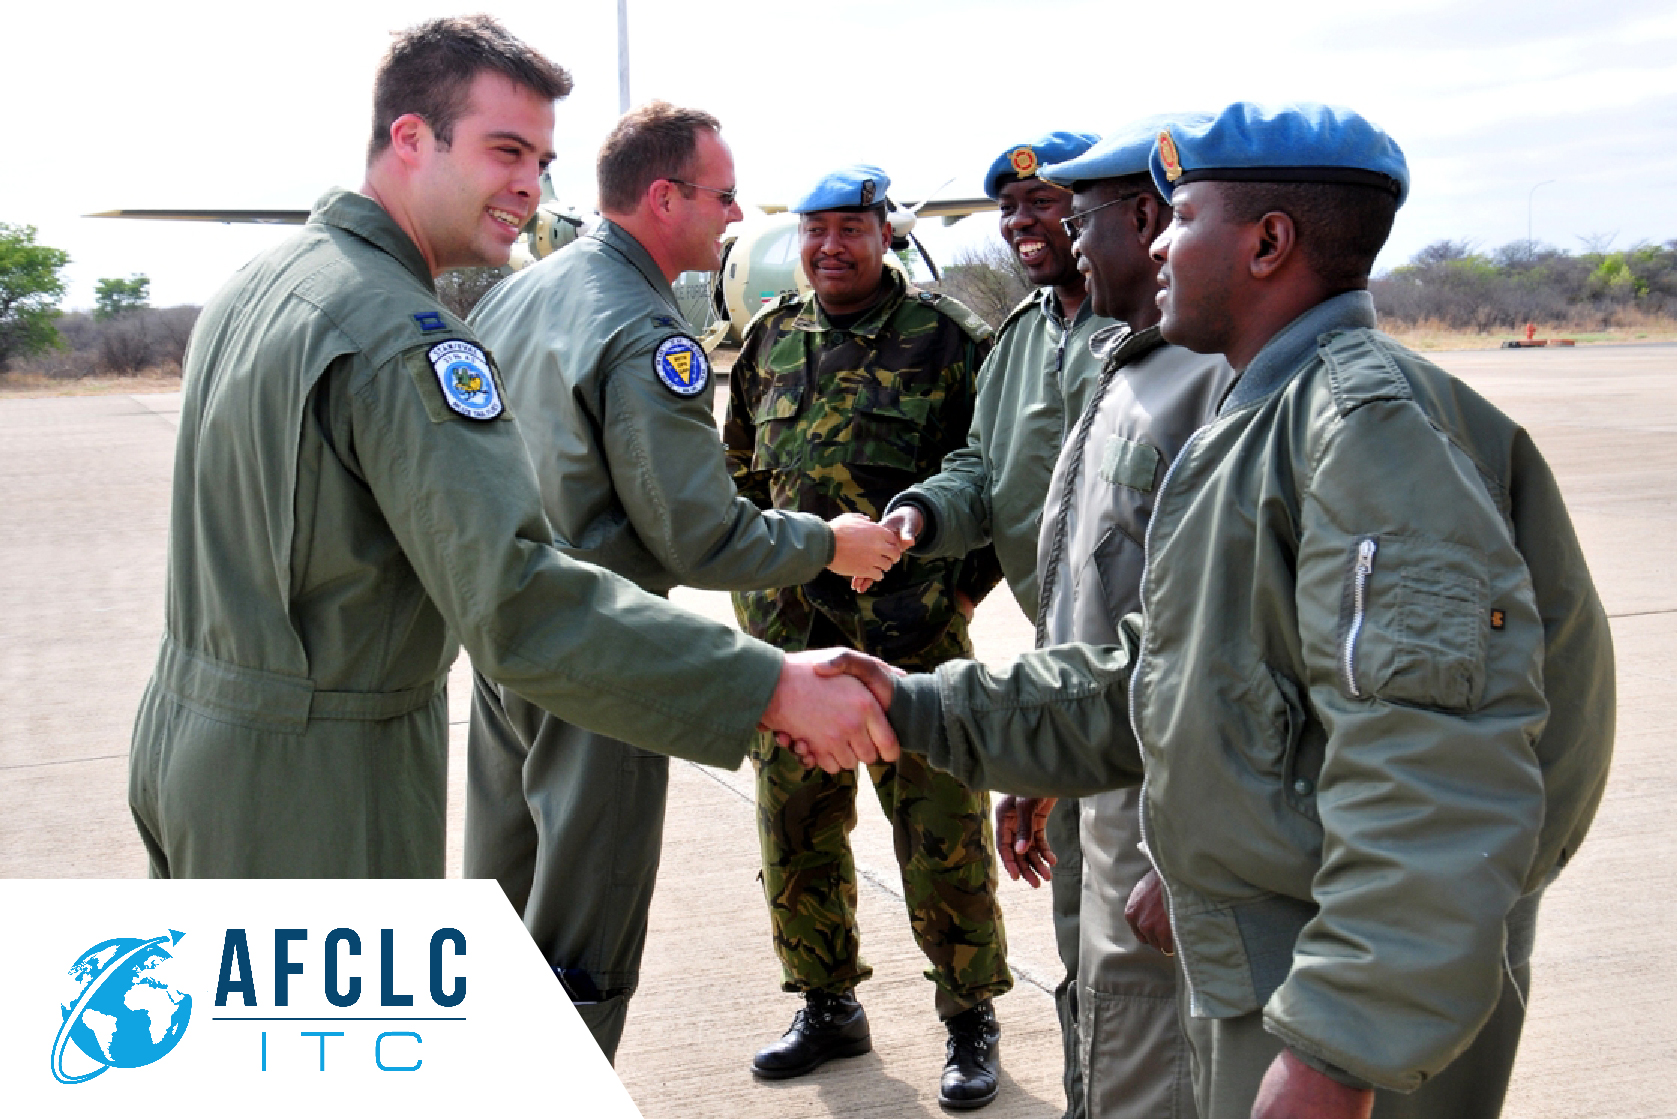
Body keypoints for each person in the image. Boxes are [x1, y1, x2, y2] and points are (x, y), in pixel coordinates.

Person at [827, 103, 1615, 1119]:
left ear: (1267, 244)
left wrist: (1339, 1048)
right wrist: (917, 705)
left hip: (1342, 987)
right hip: (1282, 952)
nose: (1153, 239)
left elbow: (1435, 767)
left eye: (1179, 215)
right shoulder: (1260, 419)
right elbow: (1160, 677)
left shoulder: (1365, 432)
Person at [127, 16, 899, 885]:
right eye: (505, 152)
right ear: (411, 138)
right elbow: (513, 598)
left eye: (541, 161)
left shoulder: (265, 282)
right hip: (315, 785)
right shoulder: (400, 335)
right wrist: (767, 686)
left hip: (189, 739)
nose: (530, 187)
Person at [462, 101, 905, 1061]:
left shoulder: (516, 295)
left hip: (505, 640)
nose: (738, 216)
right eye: (723, 194)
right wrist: (829, 542)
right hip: (605, 658)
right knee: (583, 935)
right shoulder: (642, 327)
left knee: (494, 913)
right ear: (663, 198)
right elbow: (699, 534)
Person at [724, 164, 1013, 1109]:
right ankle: (825, 1001)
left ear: (884, 234)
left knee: (941, 835)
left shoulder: (949, 341)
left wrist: (961, 598)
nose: (829, 247)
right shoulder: (769, 337)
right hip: (792, 647)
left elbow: (996, 484)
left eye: (850, 227)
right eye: (814, 229)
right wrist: (754, 610)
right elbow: (737, 479)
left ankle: (969, 1014)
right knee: (797, 830)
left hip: (912, 649)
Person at [867, 129, 1111, 1118]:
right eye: (1011, 210)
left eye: (1046, 202)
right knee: (1085, 937)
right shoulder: (1017, 344)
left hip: (1143, 674)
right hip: (1069, 663)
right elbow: (986, 470)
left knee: (1142, 938)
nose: (1023, 223)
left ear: (1104, 209)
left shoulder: (1160, 340)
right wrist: (923, 511)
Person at [1028, 116, 1234, 1119]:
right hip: (1093, 789)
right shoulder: (1129, 367)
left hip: (1158, 820)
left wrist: (1176, 844)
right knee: (1102, 1028)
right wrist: (1039, 758)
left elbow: (1225, 643)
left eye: (1083, 217)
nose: (1069, 240)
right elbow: (1087, 591)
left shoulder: (1215, 386)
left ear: (1147, 219)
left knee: (1153, 1058)